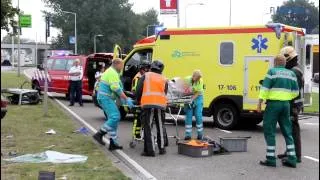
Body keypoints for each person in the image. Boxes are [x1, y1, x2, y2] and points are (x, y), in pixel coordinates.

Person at [257, 55, 299, 168]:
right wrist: (286, 97)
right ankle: (292, 159)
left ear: (275, 63)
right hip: (286, 105)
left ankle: (271, 159)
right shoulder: (291, 74)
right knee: (287, 131)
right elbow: (296, 92)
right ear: (284, 63)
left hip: (273, 105)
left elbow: (264, 89)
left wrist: (259, 103)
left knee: (269, 130)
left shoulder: (272, 71)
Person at [92, 58, 134, 151]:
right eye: (122, 65)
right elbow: (115, 88)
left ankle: (113, 143)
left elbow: (118, 88)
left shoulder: (112, 72)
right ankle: (100, 134)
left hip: (106, 97)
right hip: (105, 98)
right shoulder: (112, 73)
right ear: (117, 64)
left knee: (113, 120)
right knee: (115, 117)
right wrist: (126, 99)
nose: (123, 67)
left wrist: (123, 99)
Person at [136, 60, 168, 157]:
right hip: (160, 105)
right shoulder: (164, 78)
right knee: (160, 126)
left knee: (148, 127)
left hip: (148, 104)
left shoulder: (146, 76)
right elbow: (165, 92)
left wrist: (138, 101)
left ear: (152, 67)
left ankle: (150, 150)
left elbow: (138, 90)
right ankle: (162, 148)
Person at [278, 46, 304, 163]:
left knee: (293, 130)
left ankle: (296, 155)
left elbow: (291, 90)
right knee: (288, 130)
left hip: (293, 105)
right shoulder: (296, 69)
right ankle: (289, 152)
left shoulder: (294, 72)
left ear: (288, 59)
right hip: (293, 104)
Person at [131, 60, 151, 139]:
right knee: (137, 119)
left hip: (144, 101)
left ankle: (141, 135)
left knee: (143, 119)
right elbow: (136, 91)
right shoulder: (138, 77)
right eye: (147, 69)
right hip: (138, 101)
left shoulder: (144, 77)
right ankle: (135, 135)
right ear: (142, 69)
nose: (148, 70)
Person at [184, 70, 205, 140]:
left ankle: (200, 134)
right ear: (193, 76)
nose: (198, 80)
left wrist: (192, 99)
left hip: (198, 98)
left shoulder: (200, 81)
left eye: (199, 78)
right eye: (197, 78)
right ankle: (188, 135)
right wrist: (188, 99)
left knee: (198, 115)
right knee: (188, 116)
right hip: (189, 97)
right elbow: (185, 90)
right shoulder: (187, 79)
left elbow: (198, 92)